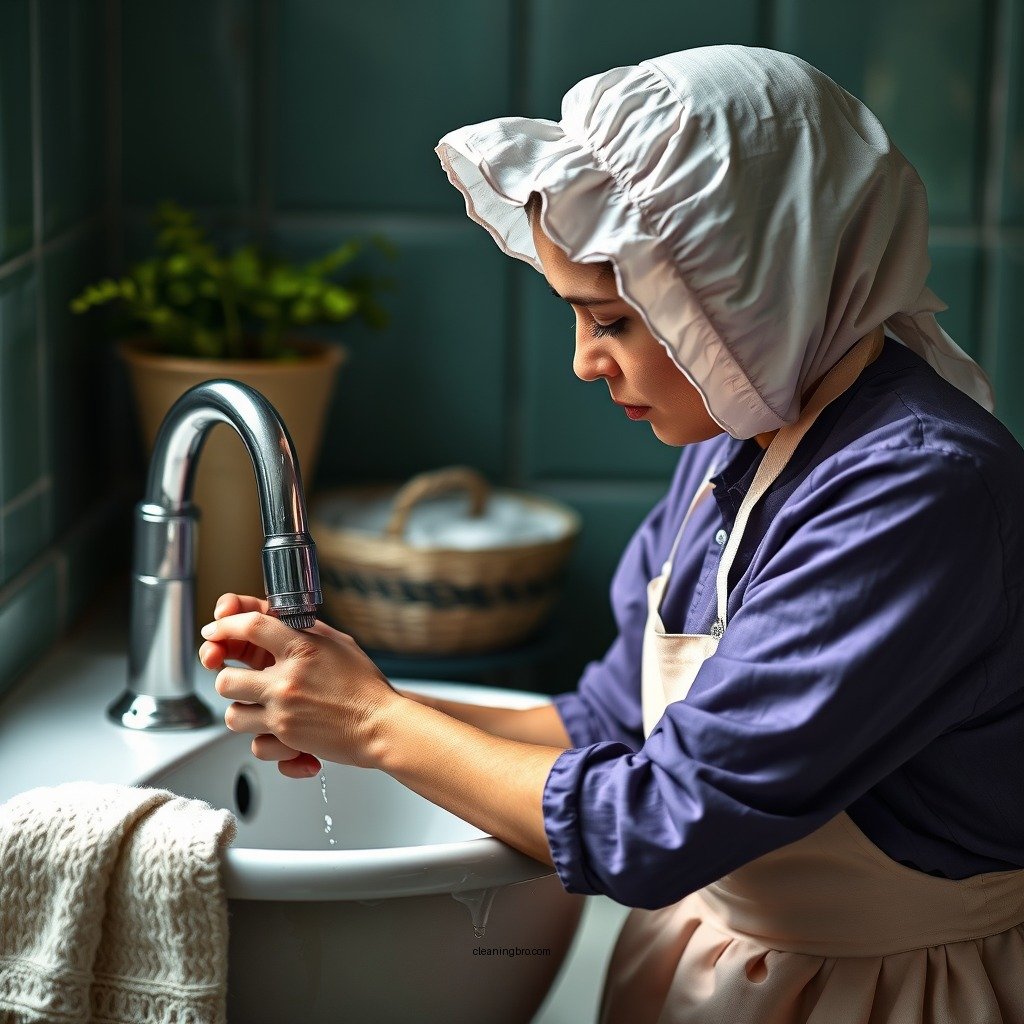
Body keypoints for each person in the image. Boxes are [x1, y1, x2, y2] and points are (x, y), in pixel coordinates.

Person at [199, 46, 1024, 1023]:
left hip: (896, 992)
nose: (587, 362)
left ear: (748, 291)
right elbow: (612, 723)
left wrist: (376, 722)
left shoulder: (914, 491)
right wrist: (338, 697)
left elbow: (657, 822)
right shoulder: (746, 436)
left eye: (613, 322)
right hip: (741, 967)